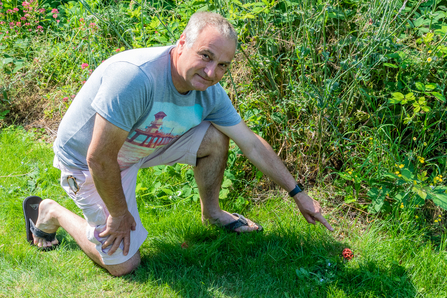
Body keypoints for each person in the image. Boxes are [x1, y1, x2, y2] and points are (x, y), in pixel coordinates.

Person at [23, 11, 333, 276]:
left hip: (136, 149)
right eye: (206, 56)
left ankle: (211, 213)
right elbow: (99, 158)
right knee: (124, 265)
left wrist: (298, 194)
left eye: (223, 65)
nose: (212, 73)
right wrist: (118, 215)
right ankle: (52, 212)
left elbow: (250, 144)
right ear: (182, 42)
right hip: (90, 162)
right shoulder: (135, 77)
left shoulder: (210, 92)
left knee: (215, 135)